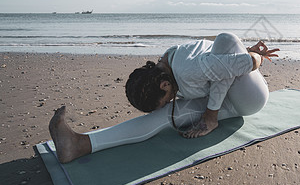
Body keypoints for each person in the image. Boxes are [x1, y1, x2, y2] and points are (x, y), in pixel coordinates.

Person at [49, 32, 279, 163]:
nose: (170, 102)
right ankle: (80, 144)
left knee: (226, 39)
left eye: (167, 99)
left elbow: (249, 63)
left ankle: (212, 117)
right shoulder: (167, 60)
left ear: (164, 84)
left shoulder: (189, 70)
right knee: (164, 117)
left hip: (250, 96)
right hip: (222, 83)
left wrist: (253, 54)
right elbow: (216, 65)